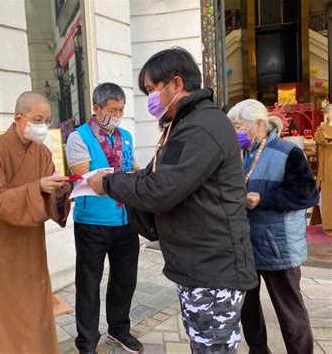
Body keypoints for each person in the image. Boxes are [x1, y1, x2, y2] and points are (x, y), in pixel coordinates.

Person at [88, 48, 258, 353]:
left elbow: (161, 188)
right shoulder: (185, 125)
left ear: (176, 84)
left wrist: (109, 183)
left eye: (152, 90)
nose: (151, 99)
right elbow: (159, 178)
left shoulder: (200, 127)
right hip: (200, 265)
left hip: (212, 270)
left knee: (212, 348)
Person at [0, 91, 71, 354]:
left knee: (34, 320)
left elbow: (50, 199)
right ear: (19, 119)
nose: (43, 125)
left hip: (30, 250)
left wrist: (62, 191)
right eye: (37, 119)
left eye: (47, 120)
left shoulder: (43, 152)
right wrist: (38, 187)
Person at [227, 99, 319, 354]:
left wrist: (263, 199)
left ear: (258, 124)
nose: (236, 133)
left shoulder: (288, 152)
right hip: (245, 244)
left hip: (278, 246)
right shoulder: (239, 154)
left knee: (290, 312)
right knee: (248, 309)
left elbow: (307, 194)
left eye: (238, 126)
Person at [65, 83, 142, 354]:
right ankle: (86, 343)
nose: (118, 114)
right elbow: (86, 177)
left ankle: (119, 330)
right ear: (96, 109)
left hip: (126, 220)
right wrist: (124, 178)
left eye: (121, 109)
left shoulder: (126, 136)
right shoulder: (79, 137)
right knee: (88, 285)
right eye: (112, 110)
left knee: (125, 280)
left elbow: (134, 168)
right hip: (92, 223)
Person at [315, 104, 332, 235]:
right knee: (329, 197)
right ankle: (329, 226)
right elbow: (324, 139)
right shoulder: (321, 130)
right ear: (327, 115)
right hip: (328, 170)